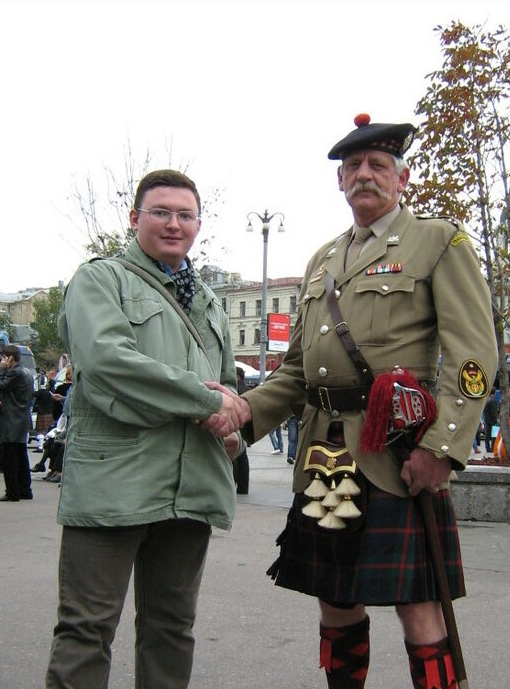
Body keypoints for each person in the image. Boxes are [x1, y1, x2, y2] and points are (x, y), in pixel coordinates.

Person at [205, 115, 498, 689]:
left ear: (402, 177)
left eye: (378, 166)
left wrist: (442, 450)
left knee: (418, 606)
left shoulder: (440, 242)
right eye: (354, 168)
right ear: (341, 183)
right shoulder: (322, 261)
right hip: (324, 454)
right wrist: (246, 409)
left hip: (396, 454)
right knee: (334, 599)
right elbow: (295, 371)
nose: (365, 175)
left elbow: (474, 358)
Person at [45, 169, 243, 689]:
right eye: (160, 212)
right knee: (87, 630)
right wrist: (204, 403)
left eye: (185, 214)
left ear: (198, 224)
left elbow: (226, 387)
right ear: (135, 219)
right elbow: (108, 363)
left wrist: (231, 427)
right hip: (114, 486)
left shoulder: (209, 300)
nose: (174, 224)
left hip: (190, 489)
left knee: (172, 629)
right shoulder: (100, 279)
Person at [0, 344, 34, 501]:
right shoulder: (26, 372)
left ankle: (13, 492)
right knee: (21, 455)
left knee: (9, 458)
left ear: (10, 358)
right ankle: (25, 490)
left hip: (11, 420)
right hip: (21, 417)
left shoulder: (15, 372)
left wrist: (1, 370)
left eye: (4, 357)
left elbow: (1, 386)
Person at [232, 367, 250, 494]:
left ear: (237, 376)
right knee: (242, 455)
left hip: (237, 423)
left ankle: (236, 483)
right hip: (244, 425)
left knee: (236, 456)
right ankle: (243, 486)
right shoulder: (246, 388)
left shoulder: (236, 388)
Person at [483, 387, 499, 453]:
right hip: (493, 420)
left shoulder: (485, 400)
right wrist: (496, 420)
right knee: (494, 435)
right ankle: (493, 447)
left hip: (486, 418)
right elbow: (494, 412)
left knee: (487, 434)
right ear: (494, 392)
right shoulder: (493, 400)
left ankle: (487, 447)